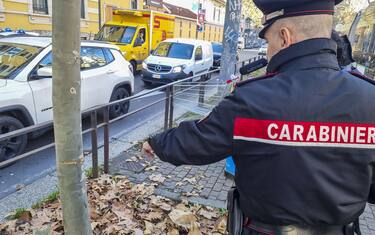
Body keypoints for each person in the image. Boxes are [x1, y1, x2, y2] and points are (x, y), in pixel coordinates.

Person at [142, 0, 375, 234]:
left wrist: (157, 144)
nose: (268, 50)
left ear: (285, 37)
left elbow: (198, 141)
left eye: (268, 41)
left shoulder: (252, 99)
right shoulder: (370, 98)